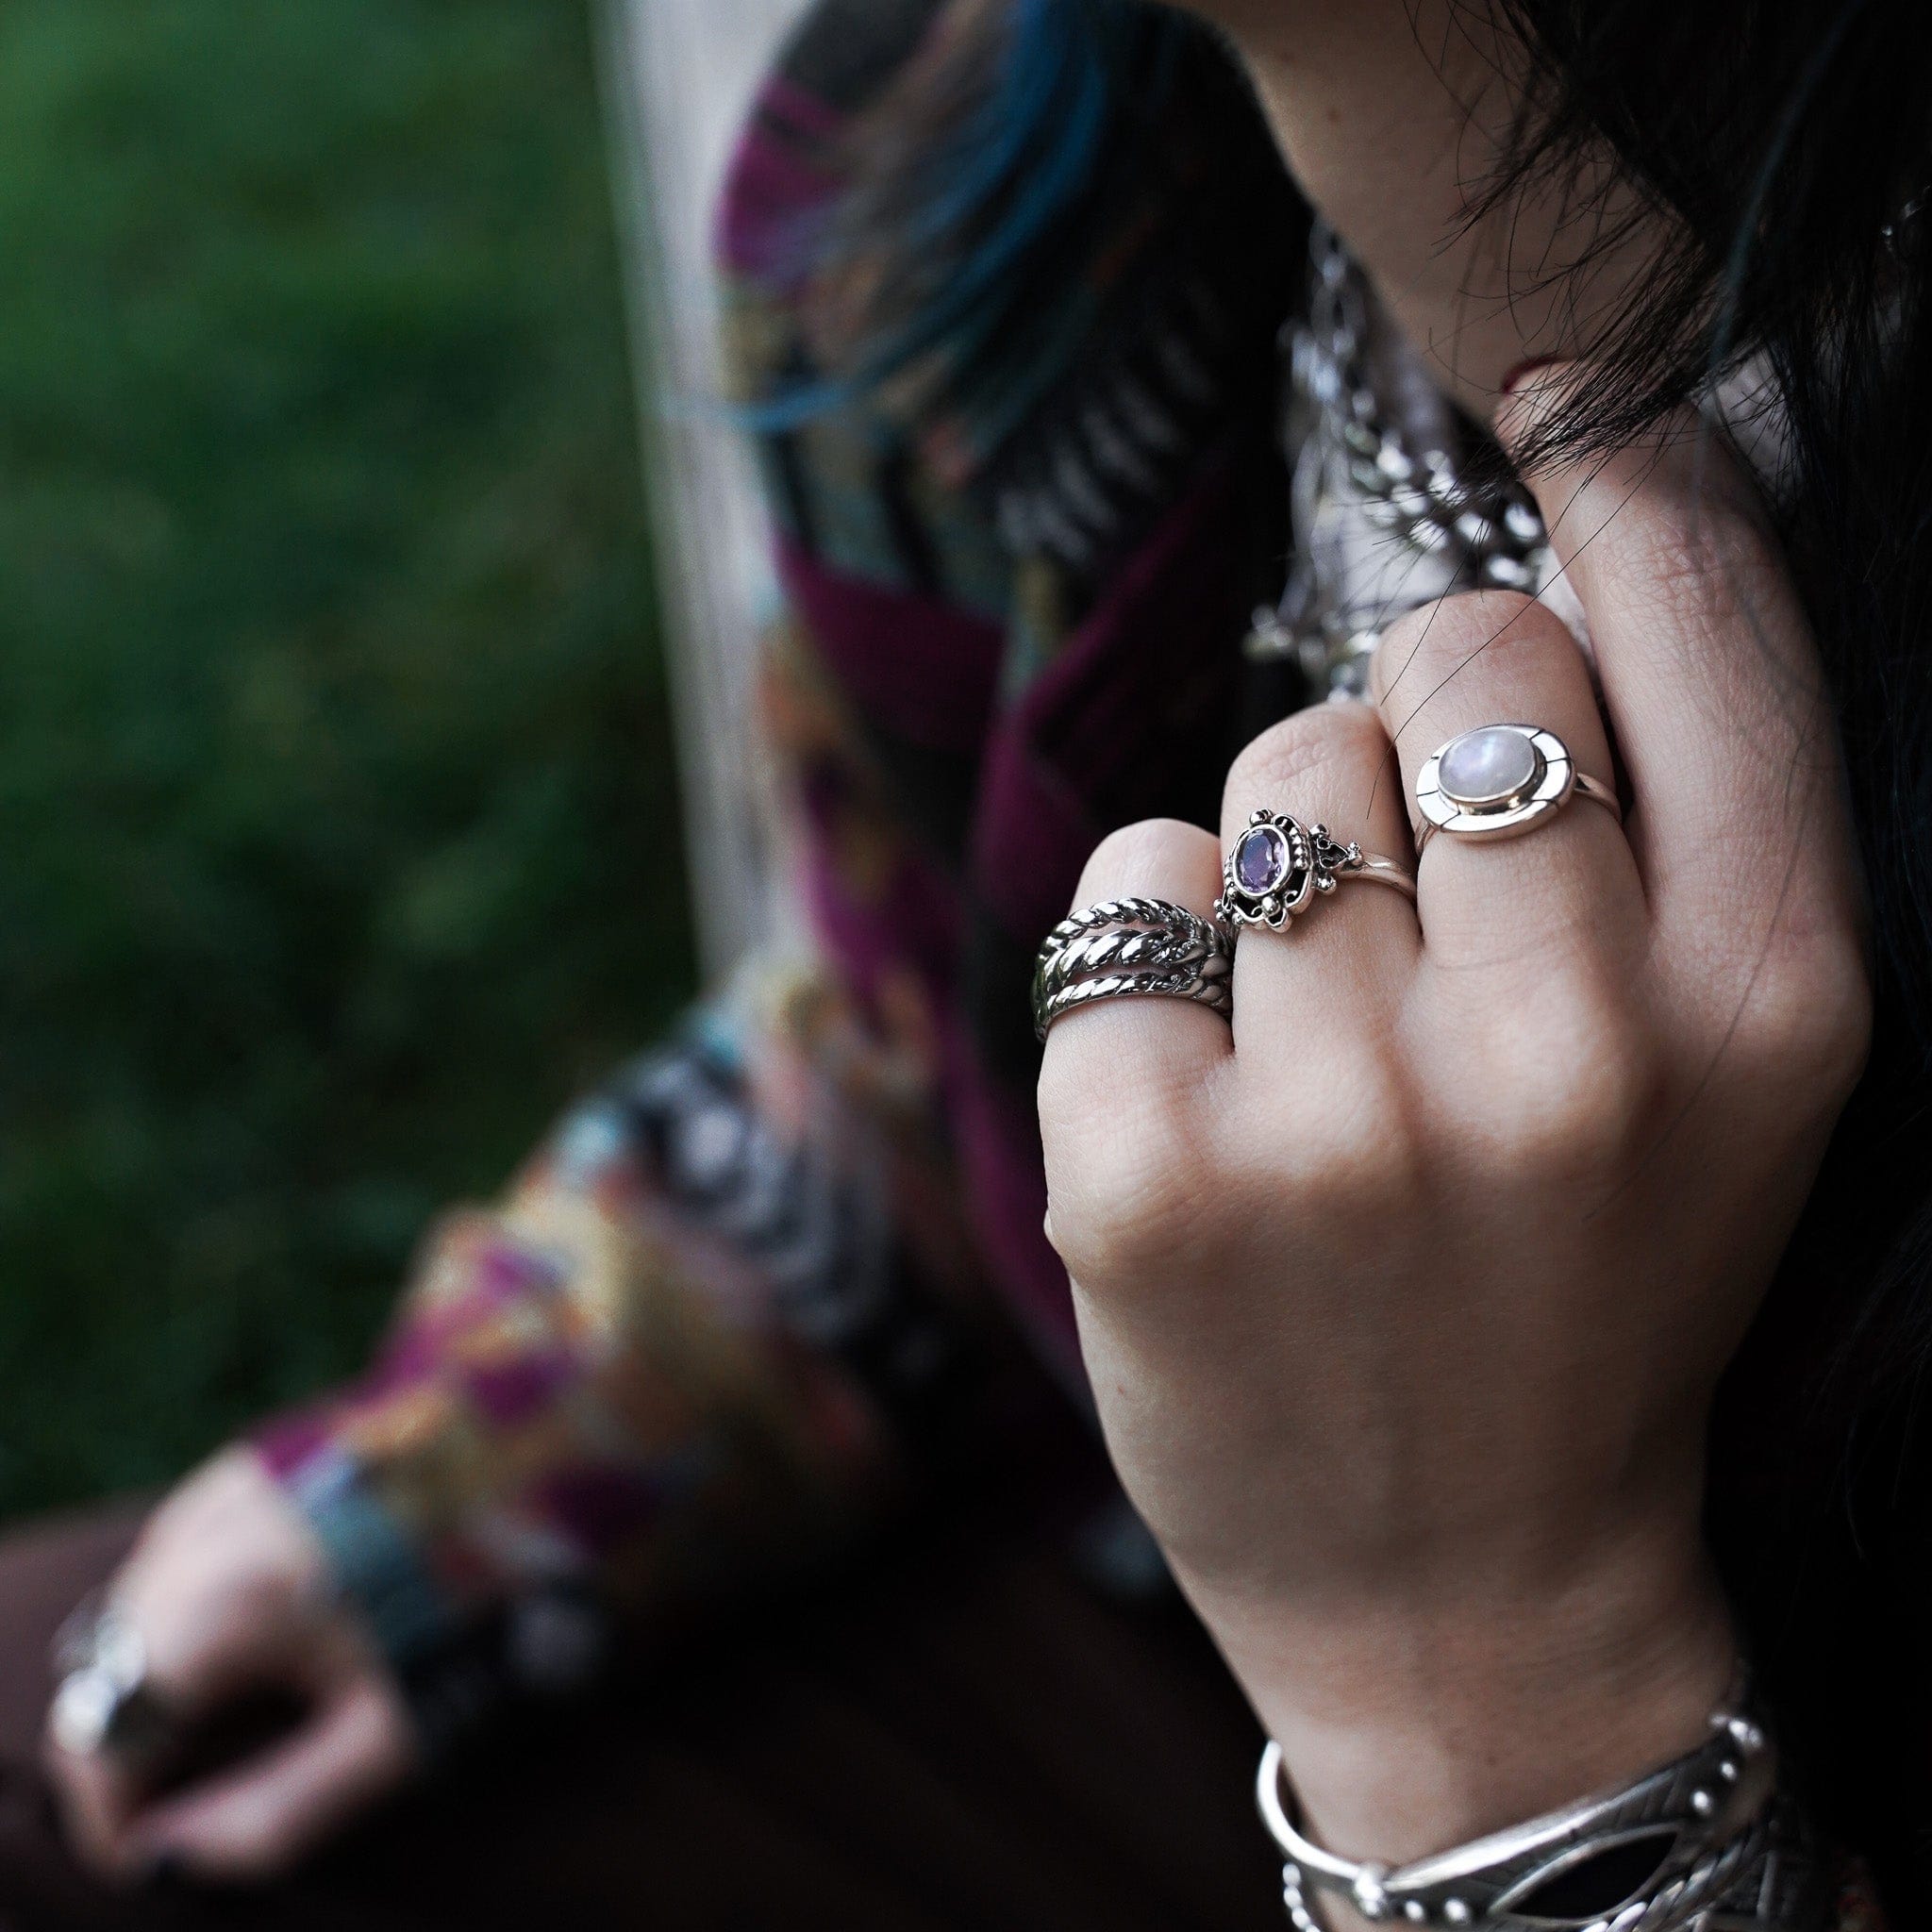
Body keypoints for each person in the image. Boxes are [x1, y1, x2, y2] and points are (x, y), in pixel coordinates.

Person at [0, 0, 1922, 1924]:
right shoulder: (940, 190)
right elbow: (932, 1033)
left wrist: (1490, 1681)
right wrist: (519, 1455)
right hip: (1148, 1623)